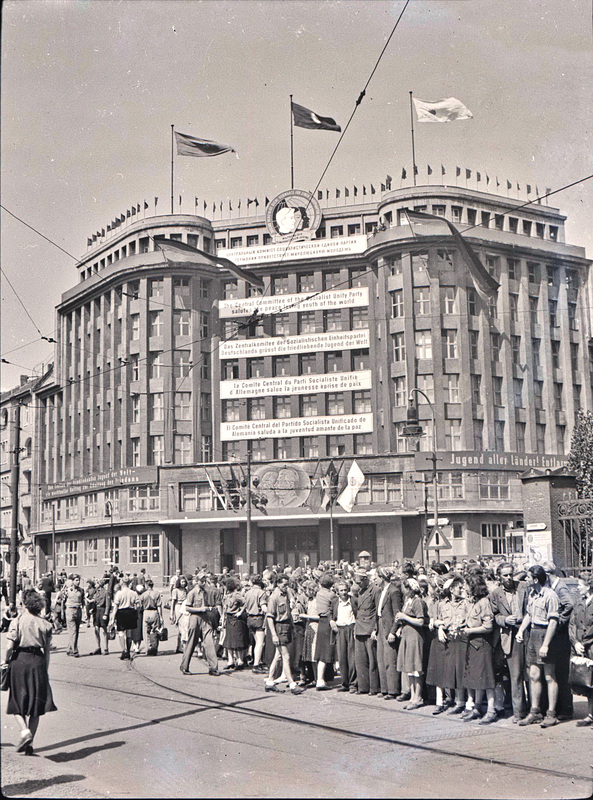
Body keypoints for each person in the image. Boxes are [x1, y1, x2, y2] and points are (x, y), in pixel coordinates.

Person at [2, 589, 57, 755]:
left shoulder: (18, 621)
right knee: (35, 705)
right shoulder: (45, 624)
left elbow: (10, 647)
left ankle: (24, 731)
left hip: (20, 661)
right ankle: (30, 744)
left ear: (24, 603)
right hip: (38, 662)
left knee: (17, 701)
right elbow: (47, 651)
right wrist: (44, 669)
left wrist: (6, 661)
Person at [516, 565, 560, 728]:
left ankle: (551, 714)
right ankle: (535, 712)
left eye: (527, 577)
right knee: (534, 675)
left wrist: (546, 644)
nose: (526, 580)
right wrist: (521, 630)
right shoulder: (532, 594)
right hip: (533, 634)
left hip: (545, 635)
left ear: (535, 579)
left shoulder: (550, 595)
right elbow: (529, 614)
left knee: (549, 676)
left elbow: (553, 622)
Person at [489, 562, 527, 722]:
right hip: (510, 636)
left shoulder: (524, 587)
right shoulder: (496, 593)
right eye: (505, 575)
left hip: (527, 632)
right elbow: (494, 615)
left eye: (511, 574)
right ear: (499, 576)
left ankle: (537, 709)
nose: (509, 578)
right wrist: (505, 620)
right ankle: (519, 713)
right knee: (516, 675)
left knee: (533, 674)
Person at [462, 572, 497, 724]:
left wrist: (469, 631)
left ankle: (491, 710)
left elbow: (488, 627)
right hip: (473, 644)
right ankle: (477, 708)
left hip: (482, 645)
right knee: (476, 677)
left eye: (467, 585)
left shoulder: (484, 602)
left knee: (487, 678)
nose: (464, 588)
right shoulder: (473, 602)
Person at [542, 561, 574, 720]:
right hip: (558, 635)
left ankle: (566, 709)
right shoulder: (554, 586)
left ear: (548, 574)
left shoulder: (559, 587)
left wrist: (559, 622)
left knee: (561, 673)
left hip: (561, 636)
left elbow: (569, 604)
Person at [264, 574, 303, 695]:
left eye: (287, 585)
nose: (286, 587)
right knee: (285, 656)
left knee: (278, 656)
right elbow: (269, 617)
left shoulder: (286, 594)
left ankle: (270, 682)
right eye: (284, 585)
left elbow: (292, 598)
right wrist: (274, 635)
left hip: (286, 626)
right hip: (279, 627)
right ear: (278, 583)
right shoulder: (274, 597)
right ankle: (292, 684)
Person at [180, 573, 222, 676]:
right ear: (197, 581)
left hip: (206, 619)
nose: (204, 583)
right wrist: (200, 609)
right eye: (202, 581)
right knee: (191, 643)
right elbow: (187, 608)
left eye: (205, 581)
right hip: (195, 619)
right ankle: (184, 666)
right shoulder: (192, 593)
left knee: (209, 643)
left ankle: (213, 668)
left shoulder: (207, 592)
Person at [395, 578, 427, 710]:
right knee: (409, 667)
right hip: (407, 636)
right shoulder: (408, 601)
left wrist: (404, 617)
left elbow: (420, 621)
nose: (404, 590)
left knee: (416, 667)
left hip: (415, 636)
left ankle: (418, 697)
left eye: (406, 588)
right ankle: (413, 696)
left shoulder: (417, 601)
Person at [568, 571, 593, 727]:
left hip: (591, 646)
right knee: (588, 682)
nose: (578, 588)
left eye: (580, 585)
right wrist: (575, 642)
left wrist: (585, 641)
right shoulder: (579, 602)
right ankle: (590, 714)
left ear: (588, 585)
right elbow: (572, 624)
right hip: (581, 647)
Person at [376, 567, 403, 701]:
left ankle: (393, 689)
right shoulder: (381, 591)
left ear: (382, 577)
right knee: (381, 659)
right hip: (381, 625)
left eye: (377, 576)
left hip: (389, 627)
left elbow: (396, 613)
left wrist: (393, 631)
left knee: (390, 659)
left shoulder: (394, 591)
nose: (375, 579)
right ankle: (384, 688)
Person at [352, 570, 379, 696]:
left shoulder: (375, 590)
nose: (358, 585)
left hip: (369, 628)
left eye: (359, 582)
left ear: (364, 579)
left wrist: (375, 629)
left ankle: (373, 688)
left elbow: (377, 612)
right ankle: (363, 686)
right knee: (360, 660)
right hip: (360, 628)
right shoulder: (360, 591)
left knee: (372, 659)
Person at [334, 581, 357, 693]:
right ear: (337, 592)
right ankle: (345, 683)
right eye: (341, 590)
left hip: (351, 628)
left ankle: (353, 683)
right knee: (342, 657)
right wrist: (331, 622)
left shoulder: (353, 600)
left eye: (345, 590)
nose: (343, 592)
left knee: (351, 657)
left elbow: (357, 614)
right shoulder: (335, 602)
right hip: (340, 630)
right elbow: (331, 614)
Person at [108, 577, 139, 660]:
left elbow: (115, 607)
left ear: (122, 583)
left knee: (121, 633)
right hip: (131, 612)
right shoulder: (133, 593)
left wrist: (112, 619)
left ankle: (123, 650)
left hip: (121, 613)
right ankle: (128, 651)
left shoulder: (119, 593)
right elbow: (138, 605)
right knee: (129, 633)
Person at [222, 577, 249, 670]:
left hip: (236, 619)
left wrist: (240, 612)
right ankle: (231, 661)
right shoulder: (227, 595)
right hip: (229, 618)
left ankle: (240, 661)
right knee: (229, 641)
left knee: (238, 641)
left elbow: (246, 602)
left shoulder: (236, 595)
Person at [243, 575, 268, 674]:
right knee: (260, 643)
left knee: (257, 642)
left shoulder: (247, 593)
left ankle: (257, 661)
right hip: (258, 618)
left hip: (250, 619)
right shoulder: (262, 593)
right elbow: (264, 607)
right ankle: (256, 665)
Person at [63, 574, 85, 657]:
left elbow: (83, 601)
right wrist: (62, 612)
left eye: (78, 580)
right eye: (76, 580)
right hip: (70, 610)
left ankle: (69, 649)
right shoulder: (68, 590)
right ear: (72, 581)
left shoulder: (81, 591)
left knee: (76, 631)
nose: (78, 582)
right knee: (73, 631)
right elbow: (62, 601)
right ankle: (75, 650)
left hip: (78, 610)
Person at [141, 579, 163, 655]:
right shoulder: (156, 594)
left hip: (146, 612)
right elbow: (159, 606)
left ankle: (147, 649)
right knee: (155, 630)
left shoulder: (143, 595)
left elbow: (140, 605)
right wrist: (161, 617)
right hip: (154, 612)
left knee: (146, 632)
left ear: (146, 585)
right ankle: (154, 648)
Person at [92, 576, 111, 655]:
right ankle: (98, 647)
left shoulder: (105, 592)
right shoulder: (95, 592)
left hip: (102, 611)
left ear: (100, 584)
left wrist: (106, 613)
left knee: (104, 630)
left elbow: (108, 604)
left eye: (96, 583)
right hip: (96, 611)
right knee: (96, 629)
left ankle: (106, 648)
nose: (95, 584)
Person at [171, 575, 189, 653]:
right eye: (182, 582)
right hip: (178, 606)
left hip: (184, 606)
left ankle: (180, 646)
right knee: (180, 626)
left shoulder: (185, 590)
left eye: (184, 582)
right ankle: (180, 646)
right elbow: (173, 602)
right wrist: (172, 613)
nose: (183, 583)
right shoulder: (175, 590)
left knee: (184, 627)